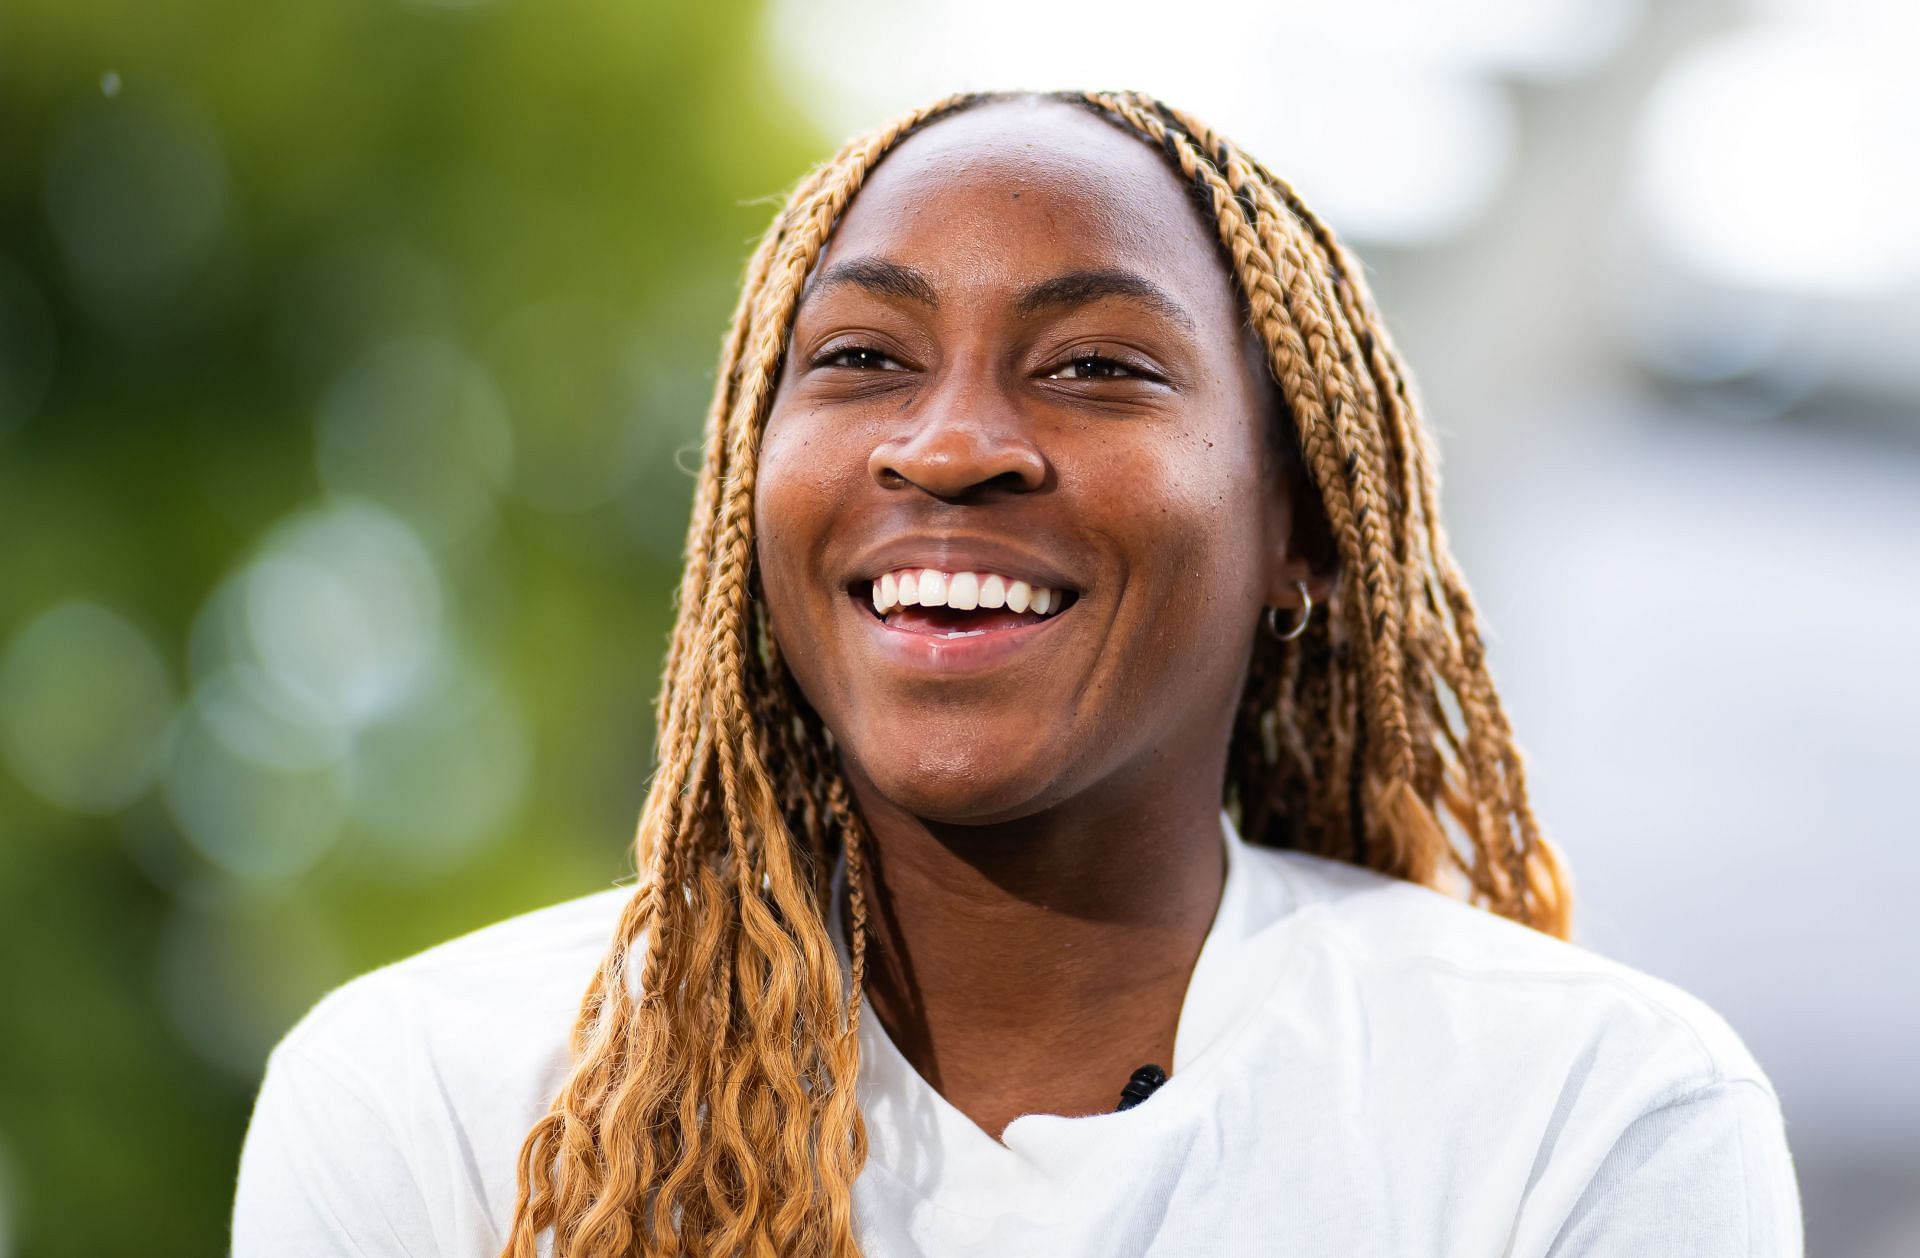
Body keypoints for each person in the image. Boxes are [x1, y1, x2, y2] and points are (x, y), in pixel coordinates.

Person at [231, 90, 1802, 1257]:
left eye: (1096, 367)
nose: (952, 442)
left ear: (1303, 532)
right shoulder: (430, 1103)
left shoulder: (1577, 1115)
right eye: (861, 359)